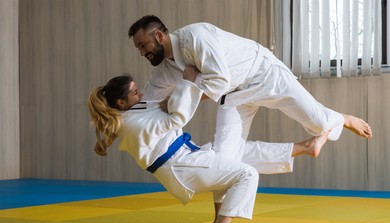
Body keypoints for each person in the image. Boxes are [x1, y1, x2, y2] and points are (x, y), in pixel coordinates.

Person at [88, 66, 329, 223]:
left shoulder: (131, 113)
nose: (141, 95)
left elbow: (126, 122)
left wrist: (104, 142)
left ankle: (305, 148)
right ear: (121, 103)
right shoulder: (134, 121)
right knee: (247, 174)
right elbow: (178, 117)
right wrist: (188, 82)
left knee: (232, 156)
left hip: (183, 161)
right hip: (180, 166)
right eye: (135, 92)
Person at [127, 15, 372, 164]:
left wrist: (185, 95)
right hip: (234, 96)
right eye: (138, 48)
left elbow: (219, 80)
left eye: (143, 45)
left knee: (319, 123)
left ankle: (344, 118)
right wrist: (110, 124)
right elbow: (146, 103)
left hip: (264, 73)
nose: (141, 52)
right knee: (224, 158)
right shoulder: (162, 71)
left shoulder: (195, 37)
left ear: (159, 36)